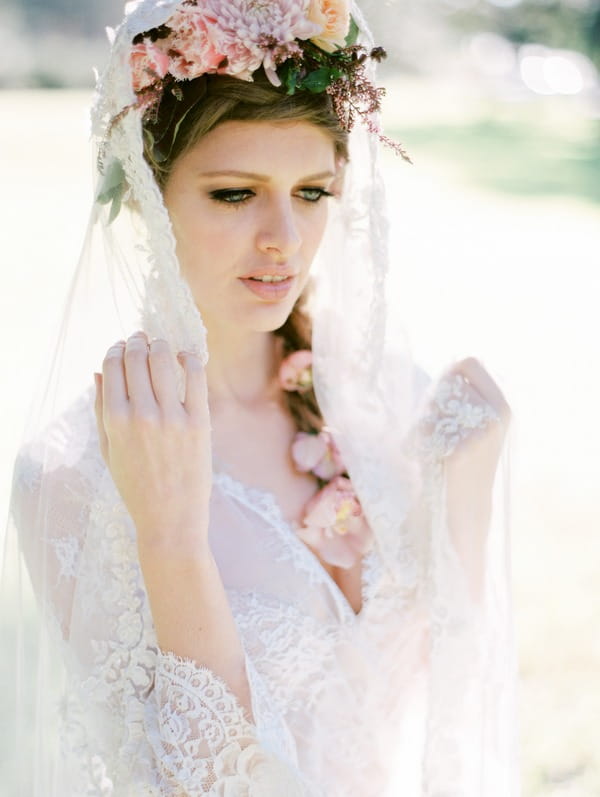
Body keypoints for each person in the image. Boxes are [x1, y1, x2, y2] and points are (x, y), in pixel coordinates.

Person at [3, 1, 519, 794]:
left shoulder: (384, 401)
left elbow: (434, 701)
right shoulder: (73, 477)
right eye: (237, 194)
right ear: (147, 193)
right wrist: (173, 540)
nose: (285, 237)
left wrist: (466, 502)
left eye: (312, 192)